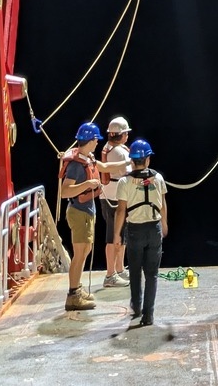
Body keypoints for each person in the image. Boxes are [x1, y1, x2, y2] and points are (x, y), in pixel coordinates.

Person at [59, 122, 130, 311]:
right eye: (96, 139)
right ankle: (73, 295)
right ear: (90, 140)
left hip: (87, 211)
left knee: (85, 251)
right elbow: (64, 192)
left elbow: (105, 166)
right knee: (79, 253)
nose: (98, 143)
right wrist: (87, 184)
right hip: (79, 212)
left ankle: (77, 288)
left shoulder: (87, 158)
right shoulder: (76, 164)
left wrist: (127, 162)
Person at [112, 139, 167, 326]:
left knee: (135, 271)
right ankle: (148, 315)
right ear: (148, 159)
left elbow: (121, 210)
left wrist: (116, 235)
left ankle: (136, 306)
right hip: (154, 228)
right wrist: (164, 224)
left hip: (135, 230)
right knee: (152, 273)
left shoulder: (124, 182)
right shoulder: (158, 178)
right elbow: (163, 204)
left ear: (132, 161)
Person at [99, 116, 132, 288]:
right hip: (114, 199)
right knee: (113, 236)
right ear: (123, 134)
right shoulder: (119, 152)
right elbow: (130, 171)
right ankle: (110, 274)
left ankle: (119, 269)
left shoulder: (109, 148)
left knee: (120, 234)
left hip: (110, 196)